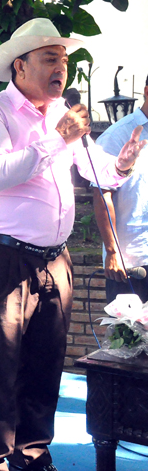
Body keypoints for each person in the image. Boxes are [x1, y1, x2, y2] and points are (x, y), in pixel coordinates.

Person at [0, 17, 146, 471]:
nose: (61, 68)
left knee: (46, 369)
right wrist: (57, 137)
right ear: (20, 66)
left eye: (64, 60)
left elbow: (95, 170)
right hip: (6, 258)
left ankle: (33, 455)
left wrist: (121, 166)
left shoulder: (59, 119)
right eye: (50, 59)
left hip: (55, 261)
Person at [93, 75, 148, 304]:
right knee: (130, 339)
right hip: (131, 263)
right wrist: (113, 252)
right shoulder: (117, 136)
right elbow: (102, 194)